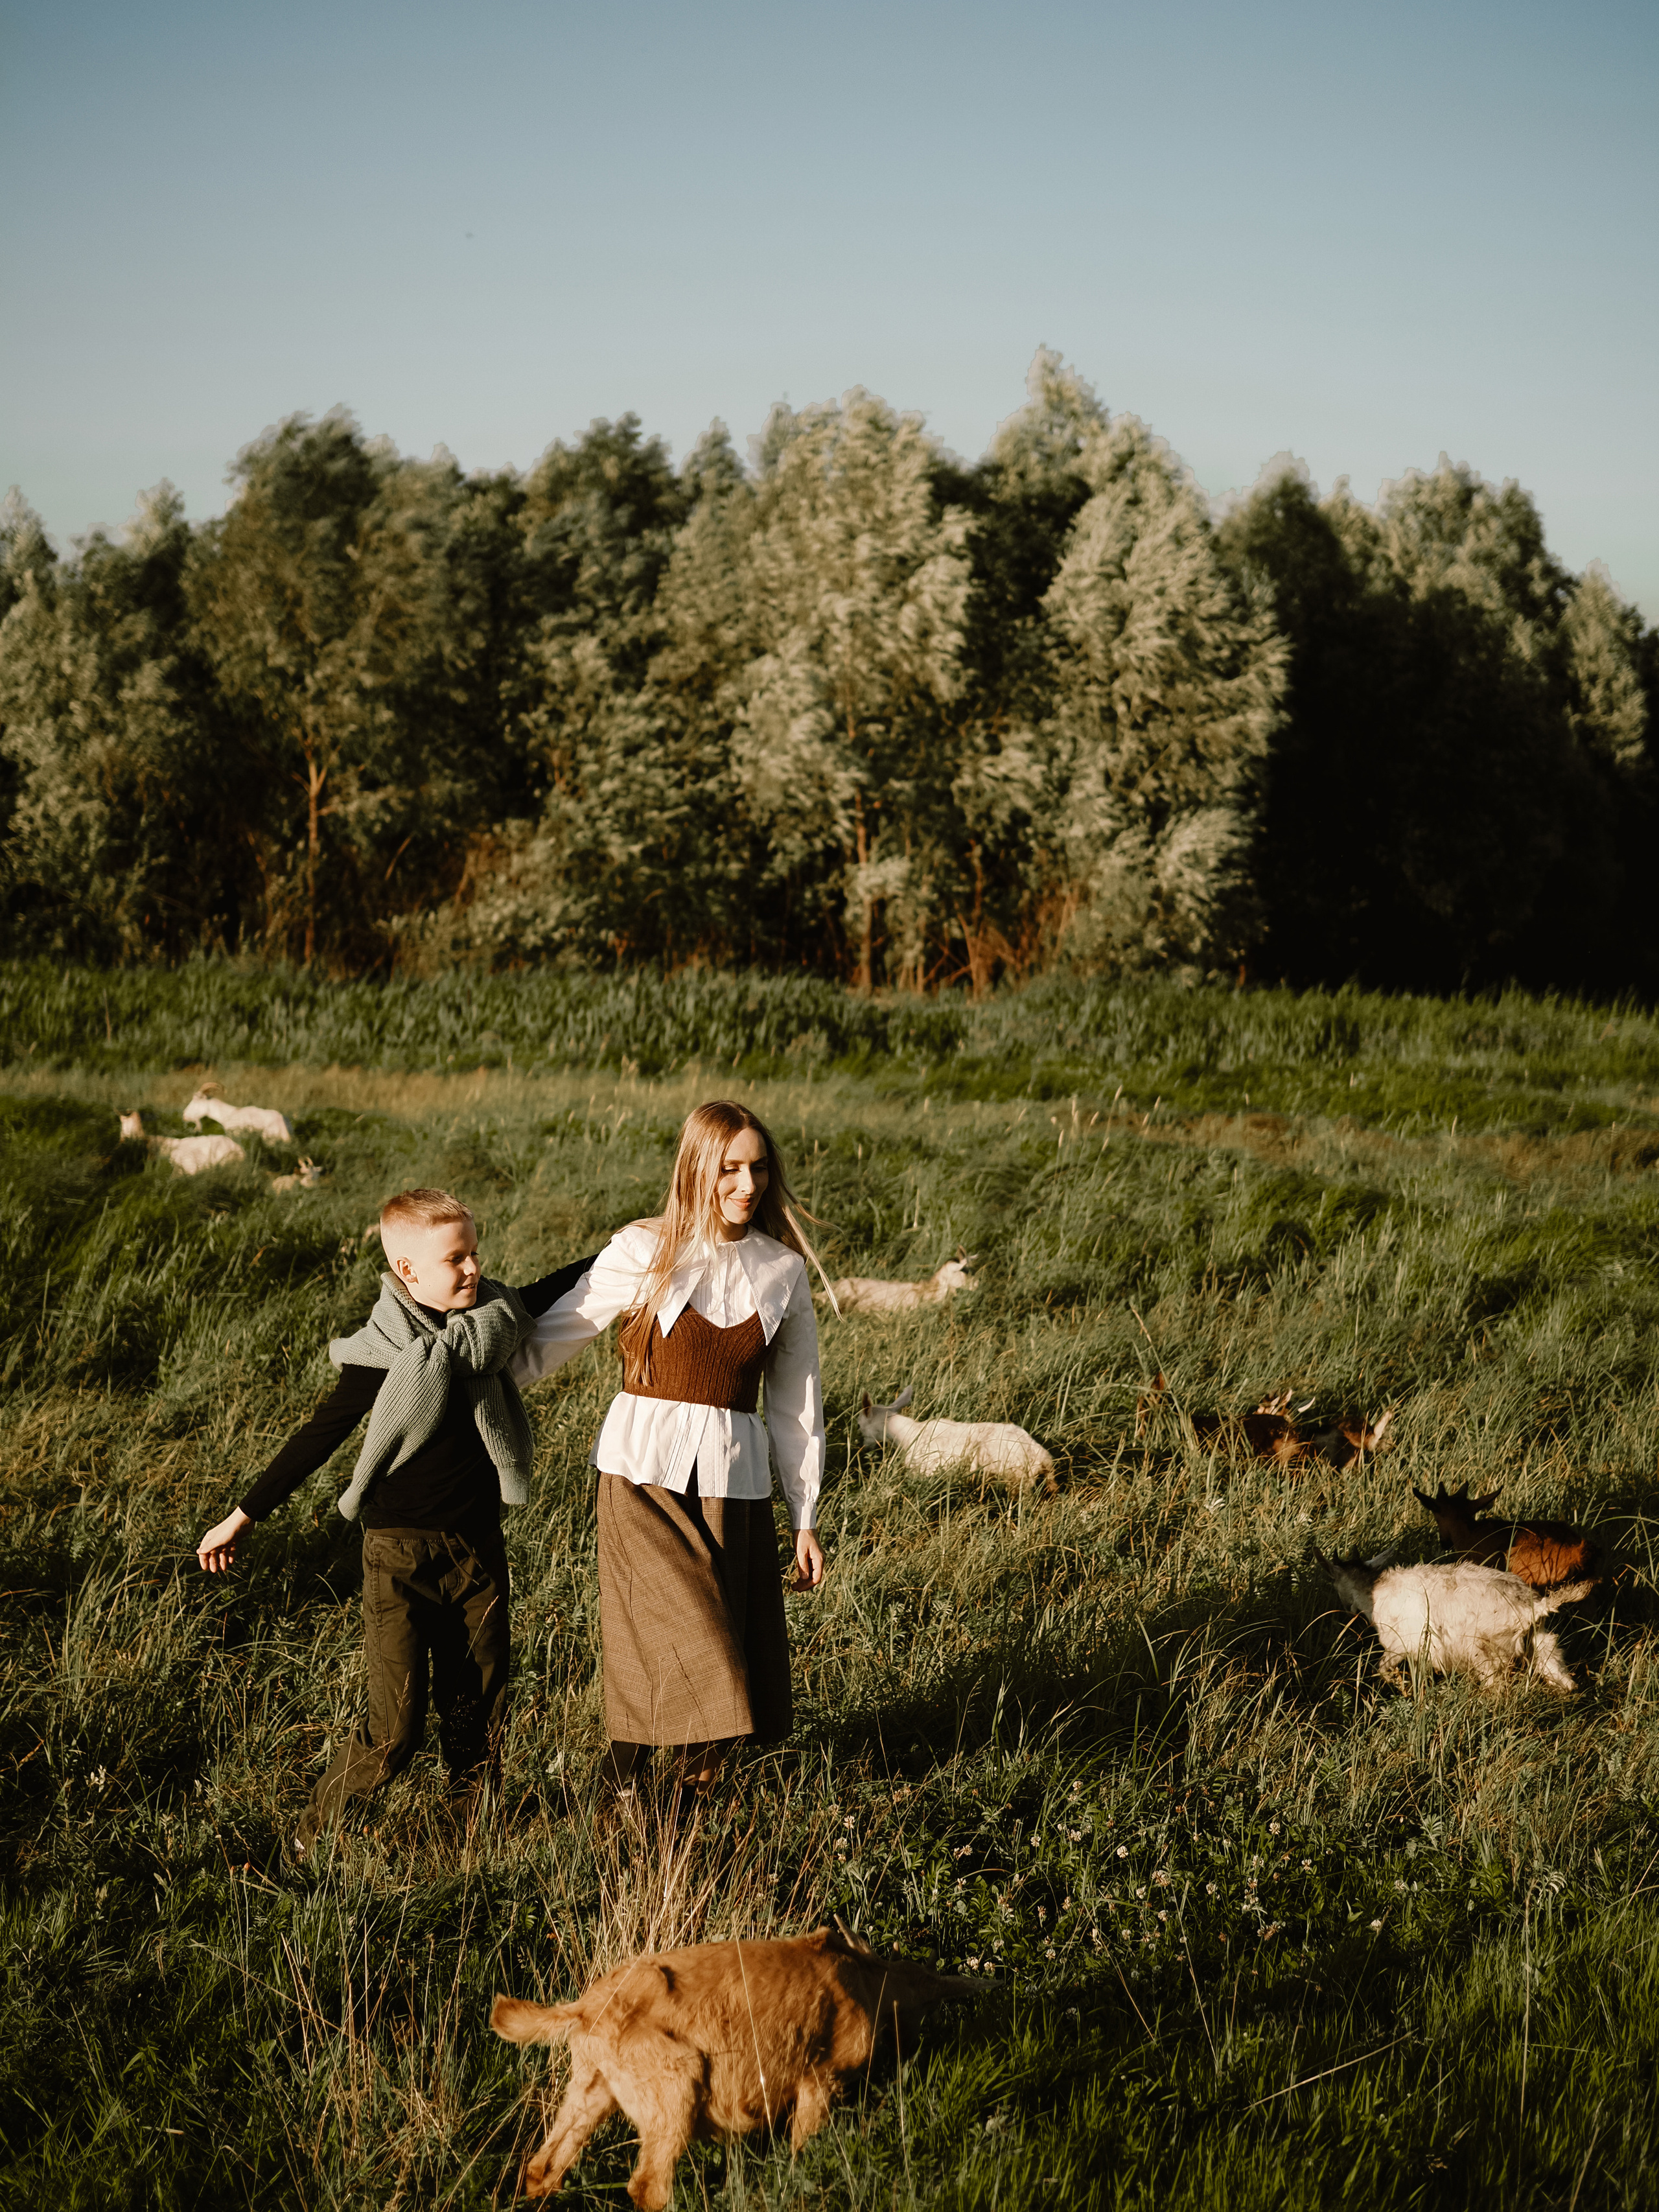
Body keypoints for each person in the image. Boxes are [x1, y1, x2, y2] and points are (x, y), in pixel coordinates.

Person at [195, 1189, 592, 1858]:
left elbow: (552, 1288)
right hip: (399, 1558)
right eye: (455, 1258)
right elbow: (315, 1437)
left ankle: (467, 1843)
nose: (474, 1268)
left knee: (478, 1712)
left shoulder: (492, 1321)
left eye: (475, 1252)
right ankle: (309, 1838)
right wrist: (243, 1515)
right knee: (394, 1731)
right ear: (407, 1270)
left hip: (478, 1552)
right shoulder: (378, 1355)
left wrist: (635, 1242)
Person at [513, 1099, 828, 1814]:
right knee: (697, 1644)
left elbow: (797, 1402)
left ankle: (662, 1809)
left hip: (734, 1484)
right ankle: (628, 1787)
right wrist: (458, 1385)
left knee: (726, 1649)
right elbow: (551, 1339)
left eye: (758, 1167)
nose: (747, 1184)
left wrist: (804, 1515)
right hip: (640, 1477)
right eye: (729, 1168)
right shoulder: (643, 1248)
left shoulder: (781, 1270)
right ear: (696, 1167)